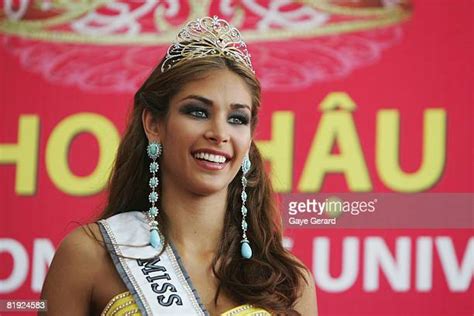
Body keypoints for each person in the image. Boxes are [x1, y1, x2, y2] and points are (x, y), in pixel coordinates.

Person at [41, 16, 318, 315]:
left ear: (249, 138)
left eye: (237, 119)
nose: (219, 133)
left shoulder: (289, 281)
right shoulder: (89, 255)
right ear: (154, 124)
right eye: (197, 112)